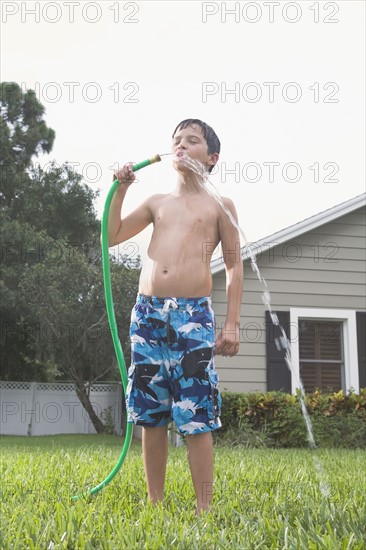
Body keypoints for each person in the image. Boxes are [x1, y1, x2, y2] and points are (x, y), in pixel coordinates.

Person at [108, 119, 243, 514]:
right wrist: (121, 190)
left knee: (195, 412)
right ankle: (155, 503)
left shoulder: (219, 205)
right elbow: (112, 234)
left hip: (193, 314)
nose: (181, 146)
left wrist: (232, 322)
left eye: (192, 141)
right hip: (148, 313)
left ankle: (204, 507)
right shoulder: (157, 203)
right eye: (176, 141)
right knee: (151, 413)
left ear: (211, 157)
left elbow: (235, 267)